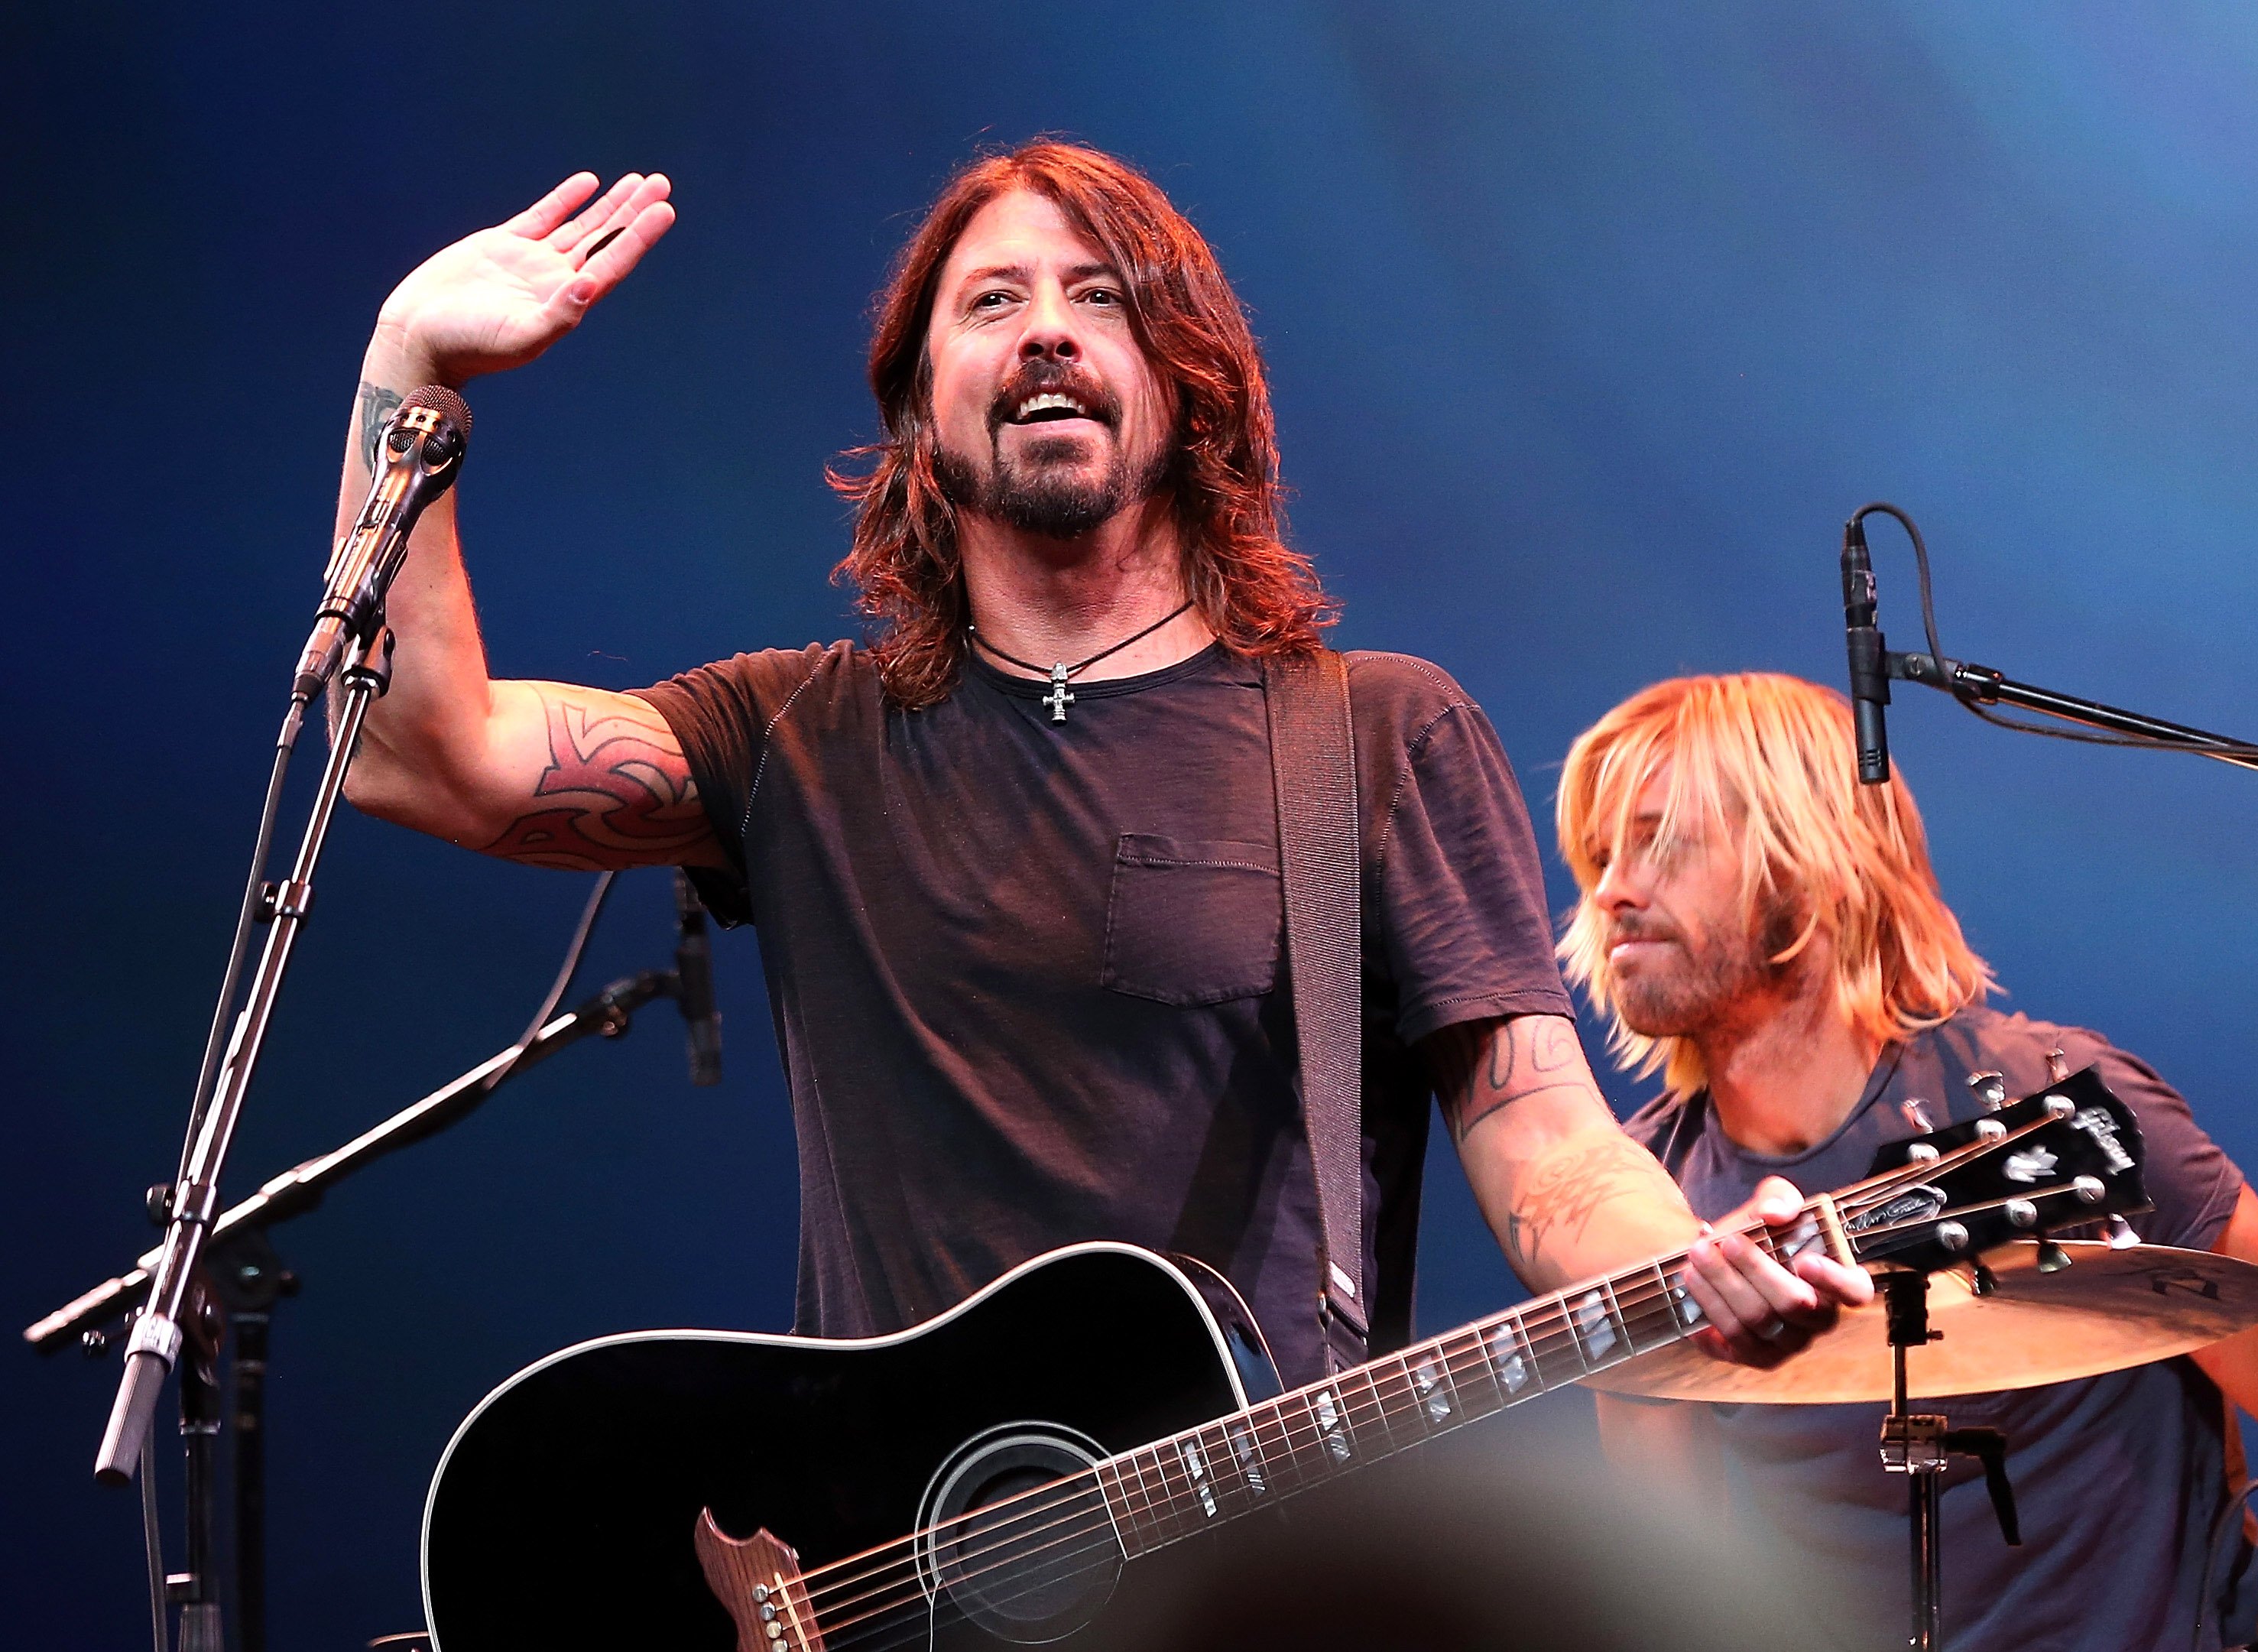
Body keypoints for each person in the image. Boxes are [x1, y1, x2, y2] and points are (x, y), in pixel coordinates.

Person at [332, 142, 1866, 1391]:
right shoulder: (793, 734)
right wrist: (410, 376)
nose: (1047, 329)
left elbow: (1549, 1144)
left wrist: (1680, 1263)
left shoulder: (1379, 735)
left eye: (1101, 298)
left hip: (1250, 1566)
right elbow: (417, 753)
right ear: (921, 407)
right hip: (886, 1583)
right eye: (991, 302)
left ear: (1185, 378)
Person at [1556, 671, 2258, 1650]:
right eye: (1601, 855)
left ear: (1809, 857)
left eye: (1661, 839)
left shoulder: (2049, 1108)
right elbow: (1666, 1578)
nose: (1611, 891)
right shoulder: (1644, 1197)